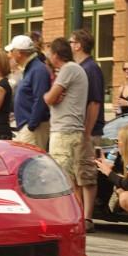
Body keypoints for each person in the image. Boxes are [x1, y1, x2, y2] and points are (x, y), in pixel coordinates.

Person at [70, 29, 105, 233]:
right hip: (79, 129)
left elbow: (94, 102)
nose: (69, 44)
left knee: (86, 173)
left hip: (88, 130)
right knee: (76, 173)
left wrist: (87, 130)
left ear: (78, 45)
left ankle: (88, 217)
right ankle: (79, 213)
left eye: (71, 41)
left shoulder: (91, 68)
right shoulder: (79, 68)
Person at [44, 38, 88, 188]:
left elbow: (49, 98)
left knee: (61, 178)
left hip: (64, 131)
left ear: (56, 55)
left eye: (50, 54)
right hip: (71, 130)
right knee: (71, 178)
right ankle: (77, 211)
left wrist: (49, 96)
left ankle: (66, 211)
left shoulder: (68, 69)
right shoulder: (74, 69)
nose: (49, 57)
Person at [7, 34, 51, 150]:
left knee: (30, 161)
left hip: (34, 127)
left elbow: (40, 99)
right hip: (28, 125)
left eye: (12, 51)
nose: (9, 55)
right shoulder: (31, 69)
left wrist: (31, 125)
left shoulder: (38, 70)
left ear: (19, 53)